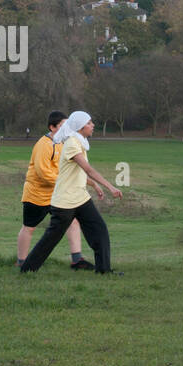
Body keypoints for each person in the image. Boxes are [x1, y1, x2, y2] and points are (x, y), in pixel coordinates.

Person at [20, 111, 123, 275]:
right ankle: (27, 269)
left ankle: (104, 270)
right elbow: (87, 169)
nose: (93, 125)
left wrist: (94, 185)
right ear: (80, 127)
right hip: (65, 201)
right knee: (51, 238)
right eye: (89, 123)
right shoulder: (72, 144)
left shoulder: (80, 142)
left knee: (99, 229)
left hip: (80, 198)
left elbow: (78, 174)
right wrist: (111, 187)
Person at [17, 110, 87, 269]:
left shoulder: (65, 142)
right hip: (36, 194)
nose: (66, 128)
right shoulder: (44, 144)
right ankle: (21, 262)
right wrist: (64, 182)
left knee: (73, 221)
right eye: (63, 125)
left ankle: (77, 260)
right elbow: (43, 172)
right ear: (52, 127)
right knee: (29, 227)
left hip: (57, 194)